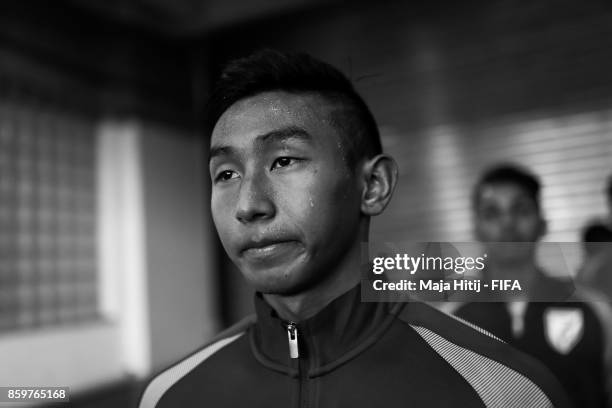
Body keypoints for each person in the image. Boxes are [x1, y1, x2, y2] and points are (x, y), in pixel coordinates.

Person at [139, 50, 569, 408]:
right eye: (226, 174)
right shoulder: (170, 396)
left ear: (373, 186)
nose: (249, 205)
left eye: (284, 160)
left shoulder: (505, 392)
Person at [455, 164, 609, 408]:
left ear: (543, 222)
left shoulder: (594, 310)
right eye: (492, 213)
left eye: (521, 210)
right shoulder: (450, 319)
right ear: (477, 228)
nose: (508, 224)